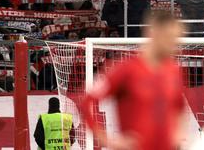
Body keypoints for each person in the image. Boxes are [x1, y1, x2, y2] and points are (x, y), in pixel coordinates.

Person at [79, 11, 186, 150]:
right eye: (170, 38)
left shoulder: (173, 70)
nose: (174, 45)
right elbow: (87, 102)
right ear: (154, 33)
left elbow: (179, 106)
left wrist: (178, 135)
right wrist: (107, 140)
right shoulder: (125, 69)